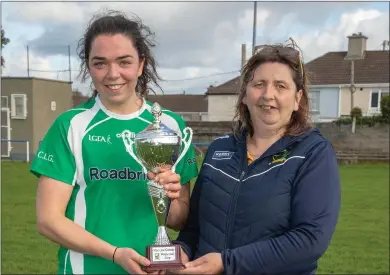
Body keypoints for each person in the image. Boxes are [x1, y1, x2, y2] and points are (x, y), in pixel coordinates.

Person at [30, 10, 198, 275]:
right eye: (100, 63)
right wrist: (115, 254)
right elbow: (49, 221)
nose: (112, 73)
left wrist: (171, 196)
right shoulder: (70, 125)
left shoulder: (171, 126)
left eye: (124, 61)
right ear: (88, 66)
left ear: (140, 65)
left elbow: (180, 220)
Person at [172, 39, 341, 275]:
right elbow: (194, 229)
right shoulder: (219, 149)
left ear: (297, 99)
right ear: (244, 96)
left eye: (281, 86)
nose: (268, 94)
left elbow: (310, 240)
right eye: (259, 84)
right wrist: (180, 251)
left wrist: (227, 262)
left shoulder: (313, 153)